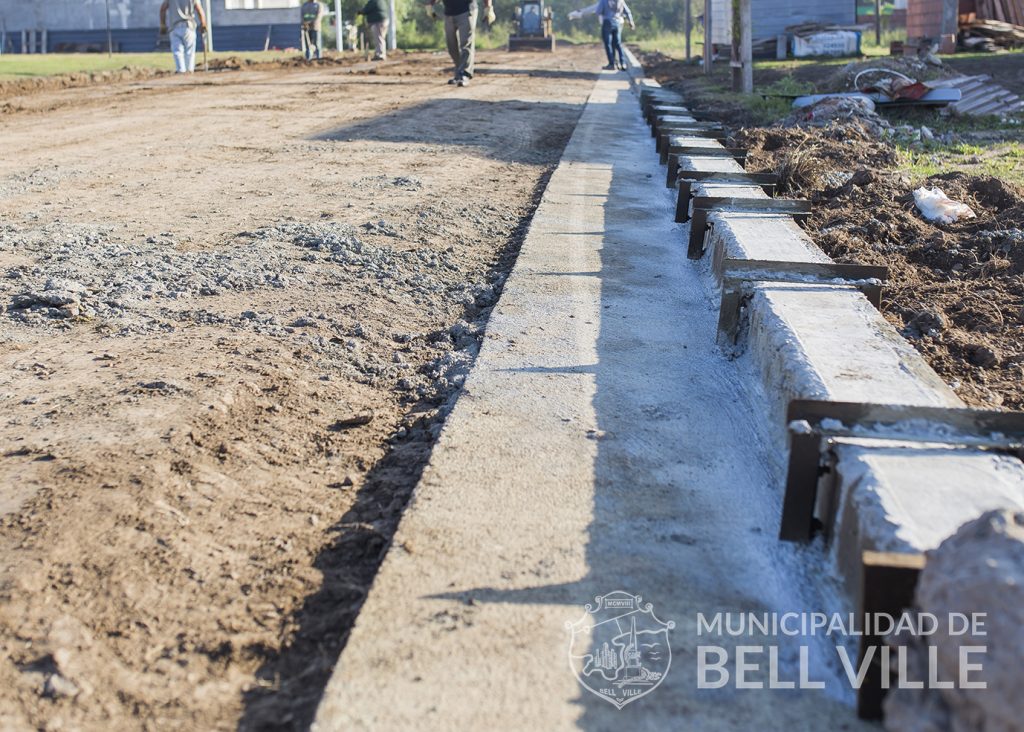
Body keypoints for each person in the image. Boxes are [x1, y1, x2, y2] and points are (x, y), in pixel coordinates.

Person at [428, 0, 494, 86]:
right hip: (449, 13)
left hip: (466, 11)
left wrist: (488, 7)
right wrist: (430, 5)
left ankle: (465, 73)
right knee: (451, 46)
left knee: (465, 44)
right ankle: (459, 72)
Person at [568, 0, 635, 71]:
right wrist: (631, 22)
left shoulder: (604, 1)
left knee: (608, 43)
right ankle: (623, 63)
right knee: (617, 44)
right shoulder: (620, 1)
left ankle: (612, 64)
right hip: (618, 23)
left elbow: (598, 11)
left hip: (607, 22)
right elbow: (627, 11)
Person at [159, 0, 207, 74]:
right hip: (189, 26)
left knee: (177, 51)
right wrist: (203, 23)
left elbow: (163, 9)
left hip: (174, 27)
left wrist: (163, 24)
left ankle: (181, 71)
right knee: (189, 51)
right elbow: (199, 9)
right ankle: (189, 70)